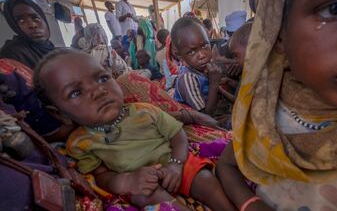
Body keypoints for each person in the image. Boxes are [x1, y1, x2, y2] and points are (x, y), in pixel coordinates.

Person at [216, 0, 337, 211]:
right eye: (336, 8)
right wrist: (251, 204)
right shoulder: (268, 105)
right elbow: (226, 165)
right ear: (279, 33)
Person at [33, 49, 236, 211]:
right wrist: (127, 180)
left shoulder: (144, 111)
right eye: (76, 92)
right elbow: (101, 175)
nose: (98, 91)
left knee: (206, 180)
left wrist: (176, 164)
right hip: (140, 181)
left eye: (103, 78)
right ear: (59, 113)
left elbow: (177, 135)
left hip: (173, 163)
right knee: (145, 196)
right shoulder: (79, 143)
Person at [171, 17, 223, 117]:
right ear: (180, 56)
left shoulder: (205, 67)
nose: (202, 55)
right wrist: (214, 84)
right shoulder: (188, 78)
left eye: (204, 46)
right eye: (191, 52)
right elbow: (204, 117)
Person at [0, 0, 54, 69]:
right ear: (15, 26)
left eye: (35, 18)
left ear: (43, 19)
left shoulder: (51, 47)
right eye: (21, 21)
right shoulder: (12, 54)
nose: (32, 25)